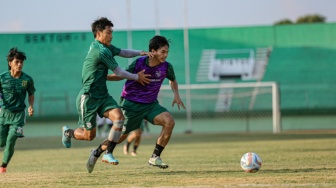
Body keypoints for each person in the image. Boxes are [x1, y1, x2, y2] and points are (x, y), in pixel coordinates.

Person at [61, 17, 153, 173]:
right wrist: (138, 77)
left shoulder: (106, 47)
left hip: (102, 96)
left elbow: (123, 52)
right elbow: (119, 72)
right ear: (98, 33)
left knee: (119, 118)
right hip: (88, 98)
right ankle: (68, 132)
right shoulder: (101, 50)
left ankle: (108, 153)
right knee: (89, 136)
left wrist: (140, 53)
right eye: (108, 32)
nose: (112, 35)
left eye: (112, 32)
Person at [87, 35, 185, 172]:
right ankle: (97, 152)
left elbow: (173, 80)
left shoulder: (167, 67)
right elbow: (122, 74)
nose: (165, 55)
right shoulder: (139, 63)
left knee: (169, 122)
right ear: (153, 51)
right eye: (163, 52)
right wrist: (105, 77)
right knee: (120, 137)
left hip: (151, 105)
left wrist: (176, 95)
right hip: (132, 104)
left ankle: (155, 157)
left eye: (167, 52)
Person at [0, 48, 36, 174]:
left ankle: (3, 166)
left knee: (10, 141)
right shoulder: (2, 78)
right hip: (4, 114)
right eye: (17, 62)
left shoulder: (27, 79)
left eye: (21, 62)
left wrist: (31, 106)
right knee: (1, 142)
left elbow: (31, 94)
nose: (20, 64)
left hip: (19, 115)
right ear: (10, 63)